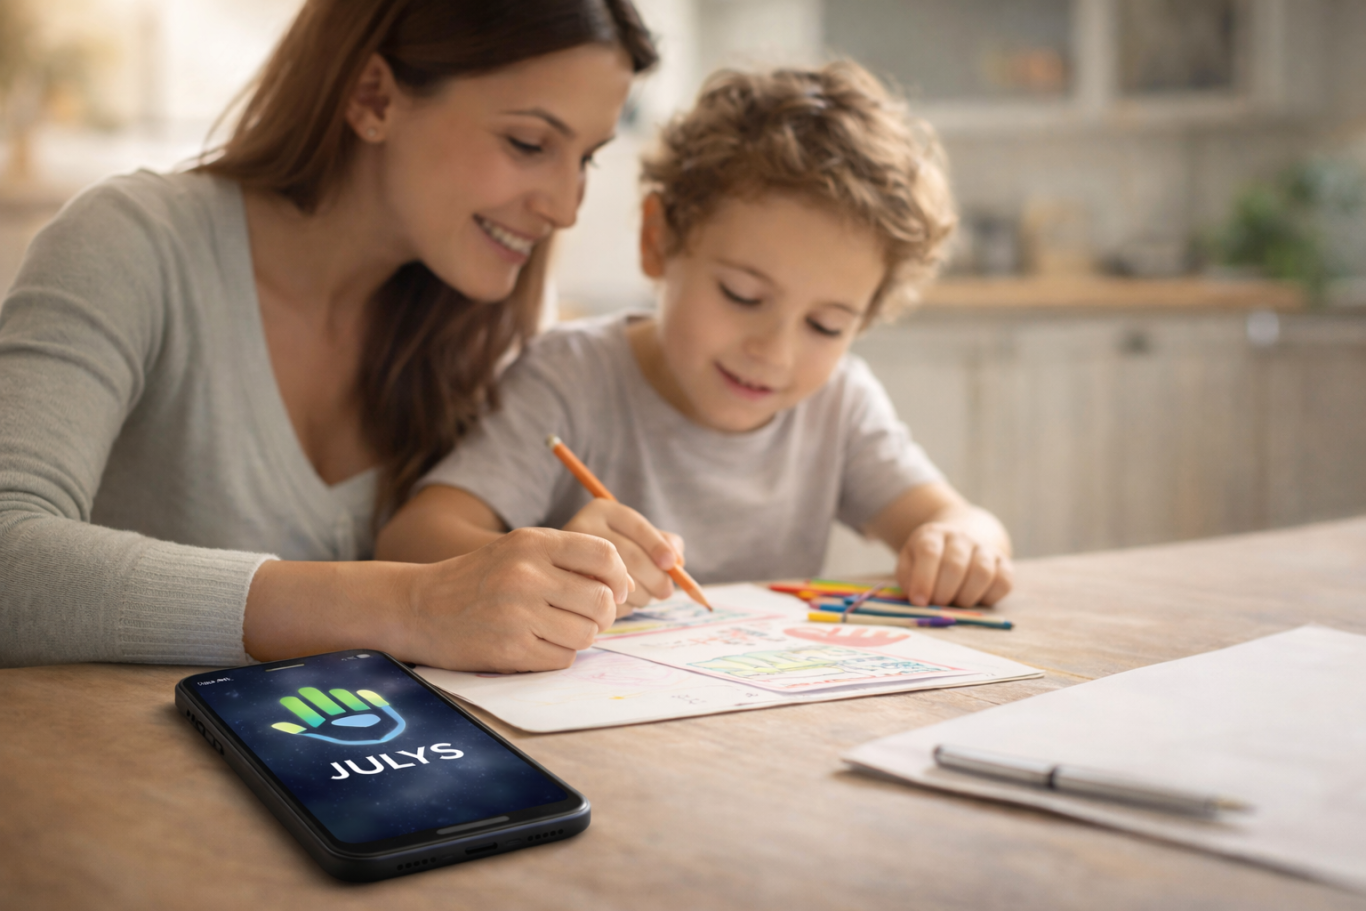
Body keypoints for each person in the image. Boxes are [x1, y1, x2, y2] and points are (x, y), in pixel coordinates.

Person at [0, 0, 660, 672]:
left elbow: (464, 591)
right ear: (373, 96)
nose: (566, 206)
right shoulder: (132, 244)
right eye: (528, 144)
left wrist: (548, 573)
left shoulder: (480, 323)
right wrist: (407, 604)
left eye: (587, 158)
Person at [376, 62, 1015, 611]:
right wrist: (555, 560)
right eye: (742, 295)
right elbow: (412, 540)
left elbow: (957, 521)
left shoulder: (839, 404)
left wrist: (965, 540)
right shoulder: (570, 378)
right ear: (659, 241)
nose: (775, 350)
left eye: (827, 325)